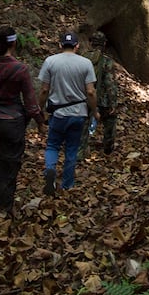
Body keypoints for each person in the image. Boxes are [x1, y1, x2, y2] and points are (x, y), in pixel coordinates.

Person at [0, 25, 45, 212]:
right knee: (9, 164)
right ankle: (4, 207)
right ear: (13, 43)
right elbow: (30, 103)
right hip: (12, 122)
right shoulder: (20, 69)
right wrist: (39, 121)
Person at [37, 30, 96, 194]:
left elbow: (43, 90)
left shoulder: (50, 62)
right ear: (77, 46)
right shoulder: (86, 63)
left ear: (60, 45)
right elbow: (91, 92)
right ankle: (67, 185)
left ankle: (50, 170)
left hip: (58, 114)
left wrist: (39, 110)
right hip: (78, 114)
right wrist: (95, 111)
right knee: (71, 149)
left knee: (52, 145)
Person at [78, 30, 119, 157]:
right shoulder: (107, 62)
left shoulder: (81, 59)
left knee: (83, 125)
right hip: (103, 99)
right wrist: (113, 103)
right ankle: (108, 149)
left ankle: (80, 152)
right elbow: (110, 84)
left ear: (91, 43)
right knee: (110, 122)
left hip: (84, 98)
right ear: (105, 44)